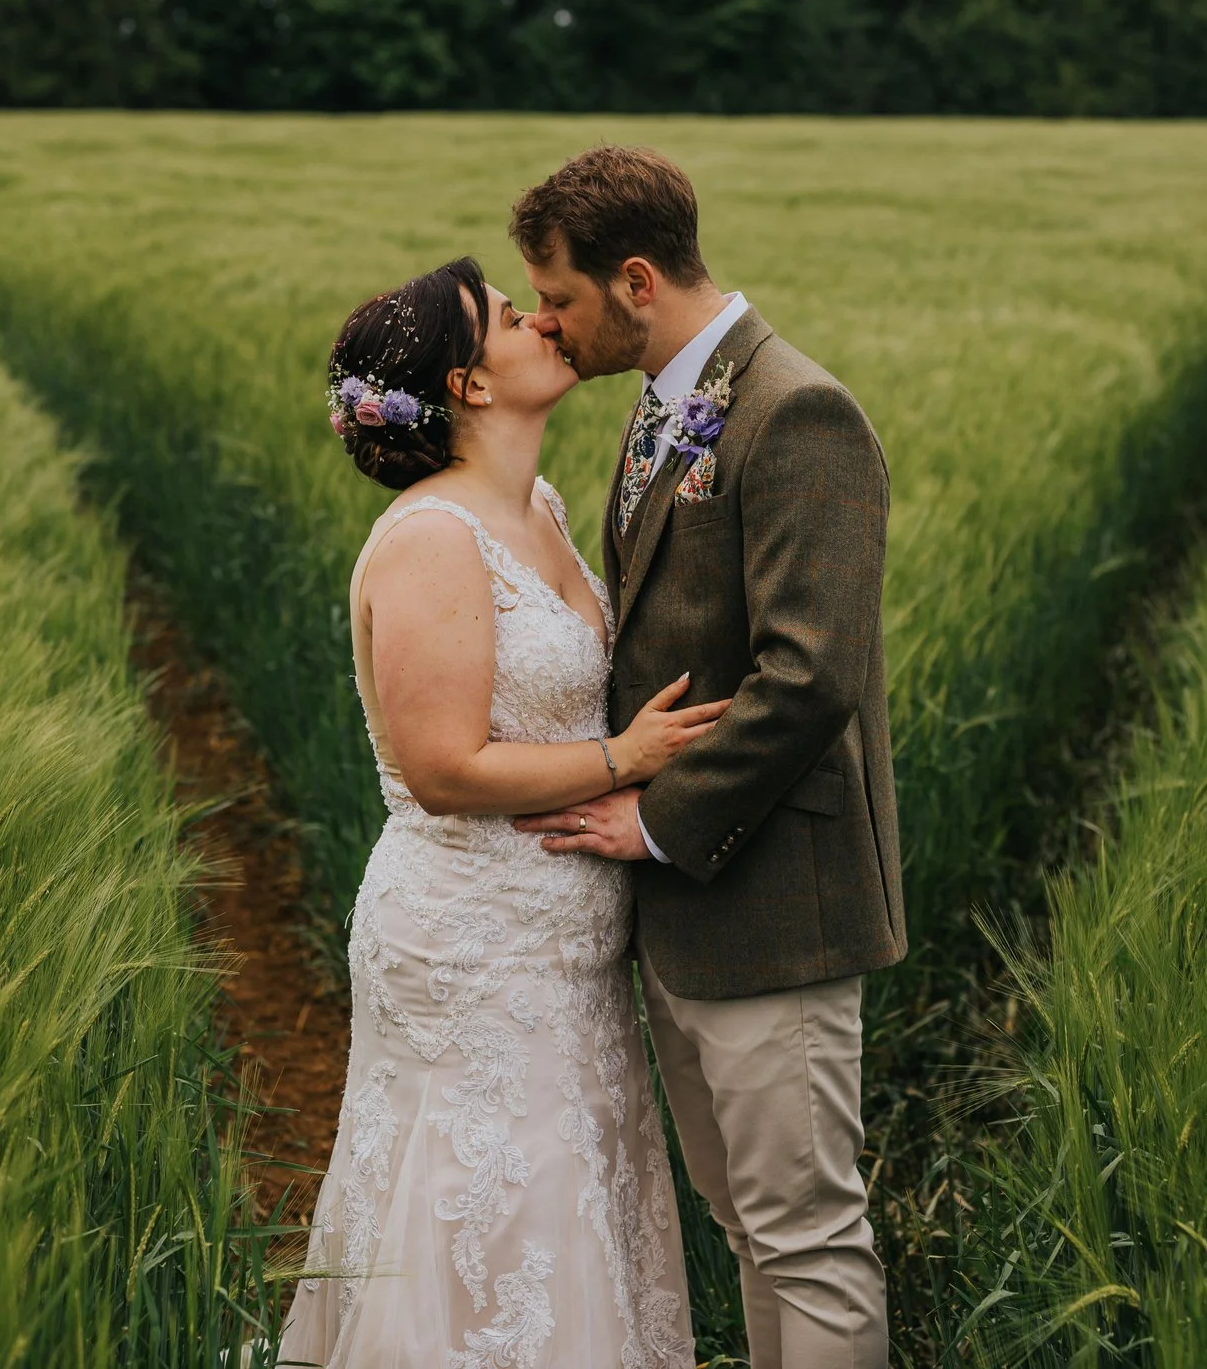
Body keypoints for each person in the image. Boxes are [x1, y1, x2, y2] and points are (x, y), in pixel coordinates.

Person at [508, 146, 907, 1369]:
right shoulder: (666, 398)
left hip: (771, 900)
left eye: (562, 299)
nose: (547, 326)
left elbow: (808, 676)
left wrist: (657, 818)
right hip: (689, 909)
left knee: (806, 1233)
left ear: (636, 280)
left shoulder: (798, 411)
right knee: (745, 1227)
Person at [280, 255, 709, 1368]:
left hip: (566, 947)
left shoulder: (543, 509)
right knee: (478, 1221)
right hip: (472, 939)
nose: (545, 320)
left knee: (570, 1213)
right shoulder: (431, 537)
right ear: (470, 383)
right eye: (514, 316)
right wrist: (623, 755)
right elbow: (444, 766)